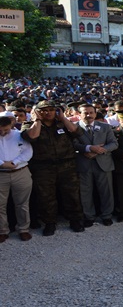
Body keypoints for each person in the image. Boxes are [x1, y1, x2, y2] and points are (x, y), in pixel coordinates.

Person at [21, 101, 86, 236]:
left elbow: (77, 132)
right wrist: (37, 120)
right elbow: (32, 136)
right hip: (43, 167)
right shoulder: (29, 125)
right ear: (37, 111)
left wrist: (62, 118)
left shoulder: (62, 123)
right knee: (46, 196)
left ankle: (75, 220)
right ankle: (50, 223)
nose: (48, 112)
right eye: (44, 110)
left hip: (67, 166)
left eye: (51, 110)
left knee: (71, 194)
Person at [74, 104, 119, 227]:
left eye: (91, 112)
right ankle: (89, 216)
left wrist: (100, 150)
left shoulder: (105, 127)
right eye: (85, 113)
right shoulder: (74, 128)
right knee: (85, 192)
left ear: (95, 113)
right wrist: (87, 149)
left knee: (106, 192)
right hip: (84, 163)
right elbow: (73, 144)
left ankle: (107, 215)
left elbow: (114, 144)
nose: (88, 115)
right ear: (79, 114)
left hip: (103, 163)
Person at [0, 112, 33, 242]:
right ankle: (2, 230)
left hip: (20, 172)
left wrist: (15, 162)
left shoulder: (19, 135)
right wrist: (3, 164)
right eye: (0, 130)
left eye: (5, 130)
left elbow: (28, 151)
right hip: (1, 174)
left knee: (22, 203)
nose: (2, 133)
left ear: (11, 125)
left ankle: (23, 229)